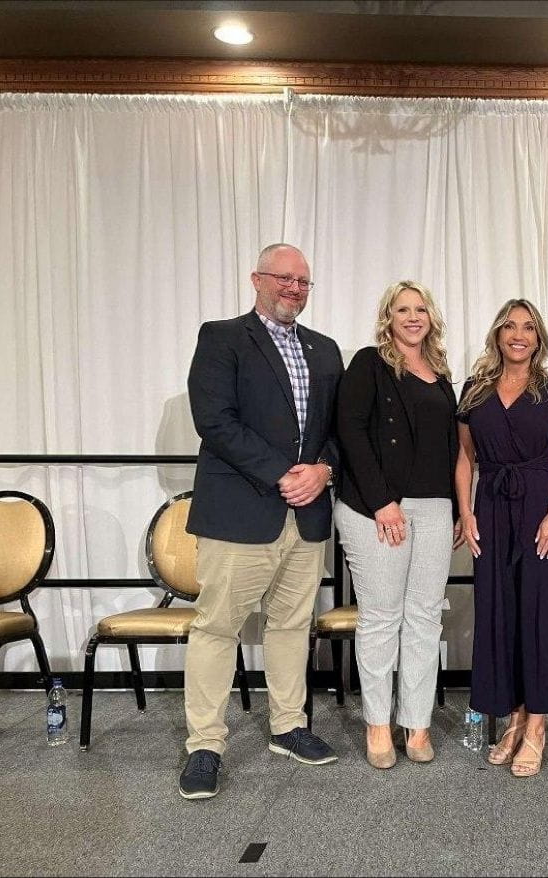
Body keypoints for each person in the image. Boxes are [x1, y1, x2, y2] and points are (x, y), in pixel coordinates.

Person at [181, 243, 343, 800]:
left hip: (307, 516)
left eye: (303, 281)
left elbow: (339, 432)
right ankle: (205, 744)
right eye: (284, 278)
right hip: (240, 512)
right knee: (217, 627)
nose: (294, 288)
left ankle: (288, 726)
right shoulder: (222, 337)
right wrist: (283, 474)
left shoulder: (325, 351)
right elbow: (215, 421)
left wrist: (322, 470)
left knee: (293, 625)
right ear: (257, 279)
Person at [334, 281, 460, 769]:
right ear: (388, 317)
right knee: (382, 618)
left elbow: (450, 447)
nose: (413, 317)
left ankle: (418, 723)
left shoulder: (441, 373)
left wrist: (453, 506)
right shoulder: (369, 363)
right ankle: (378, 725)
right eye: (402, 309)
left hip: (433, 508)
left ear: (431, 316)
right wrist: (384, 502)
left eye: (420, 308)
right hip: (375, 509)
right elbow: (351, 431)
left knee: (425, 618)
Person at [455, 299, 548, 778]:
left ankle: (536, 724)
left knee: (540, 612)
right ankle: (512, 716)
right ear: (497, 334)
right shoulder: (474, 389)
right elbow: (465, 458)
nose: (519, 335)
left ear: (538, 337)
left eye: (528, 327)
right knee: (501, 611)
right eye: (510, 326)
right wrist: (466, 511)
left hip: (539, 506)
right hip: (490, 506)